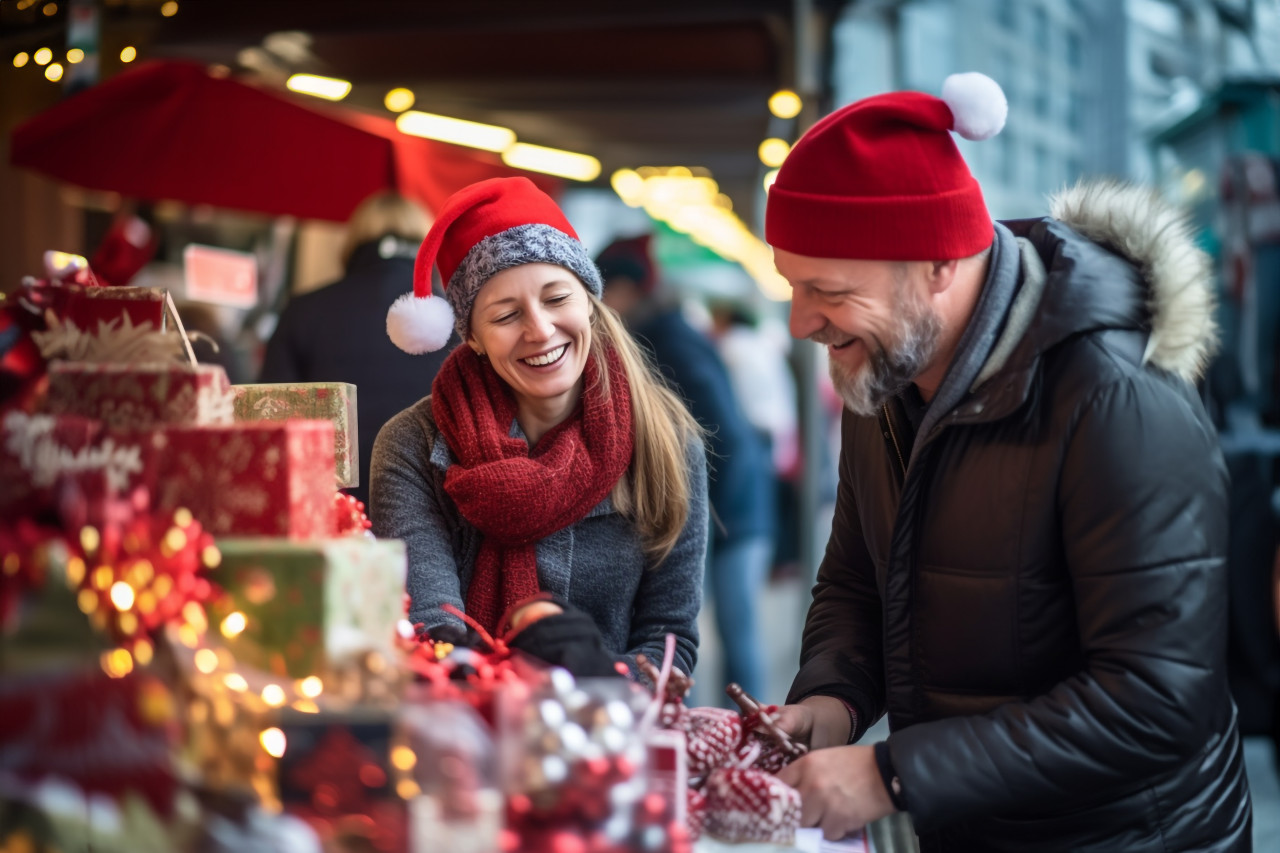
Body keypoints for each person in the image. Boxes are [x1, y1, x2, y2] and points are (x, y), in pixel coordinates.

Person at [766, 73, 1252, 850]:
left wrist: (892, 775)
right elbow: (857, 576)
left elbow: (1158, 697)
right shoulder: (882, 368)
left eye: (827, 290)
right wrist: (833, 697)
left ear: (937, 265)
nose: (800, 322)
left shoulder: (1117, 399)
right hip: (966, 822)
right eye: (791, 286)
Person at [370, 177, 705, 676]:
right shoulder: (411, 447)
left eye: (556, 298)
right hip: (465, 730)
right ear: (474, 338)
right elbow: (429, 630)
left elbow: (668, 642)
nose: (540, 330)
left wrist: (593, 681)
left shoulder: (666, 440)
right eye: (505, 315)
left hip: (617, 734)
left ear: (589, 300)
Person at [596, 235, 774, 698]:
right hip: (729, 503)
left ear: (626, 291)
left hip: (732, 509)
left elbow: (721, 434)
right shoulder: (668, 330)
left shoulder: (667, 340)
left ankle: (745, 739)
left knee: (726, 635)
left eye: (603, 293)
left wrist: (694, 510)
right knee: (697, 636)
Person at [260, 191, 450, 508]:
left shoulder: (303, 311)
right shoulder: (457, 319)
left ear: (352, 243)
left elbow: (268, 417)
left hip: (329, 511)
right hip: (435, 510)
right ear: (425, 244)